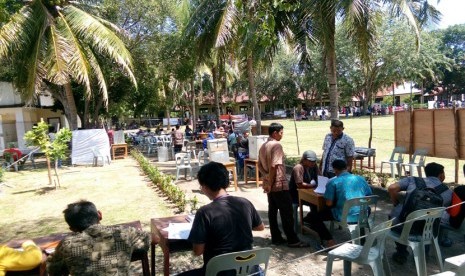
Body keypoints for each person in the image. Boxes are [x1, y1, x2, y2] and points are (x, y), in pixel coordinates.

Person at [179, 162, 264, 276]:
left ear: (205, 186)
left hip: (218, 272)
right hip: (249, 271)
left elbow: (198, 251)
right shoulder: (245, 203)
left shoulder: (204, 212)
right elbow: (260, 227)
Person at [46, 200, 150, 275]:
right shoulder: (124, 234)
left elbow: (51, 269)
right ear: (99, 215)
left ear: (72, 228)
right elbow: (154, 239)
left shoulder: (67, 245)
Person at [388, 162, 453, 264]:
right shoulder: (448, 192)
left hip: (404, 227)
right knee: (431, 222)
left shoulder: (413, 180)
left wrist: (396, 203)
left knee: (395, 214)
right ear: (441, 175)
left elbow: (392, 188)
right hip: (427, 231)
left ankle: (401, 253)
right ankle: (422, 254)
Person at [258, 123, 308, 247]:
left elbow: (259, 165)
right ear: (275, 133)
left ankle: (276, 237)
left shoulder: (263, 146)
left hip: (269, 185)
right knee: (287, 212)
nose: (282, 135)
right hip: (278, 184)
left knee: (273, 211)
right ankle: (292, 240)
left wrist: (266, 177)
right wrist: (270, 179)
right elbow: (274, 166)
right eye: (281, 132)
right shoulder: (276, 145)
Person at [303, 159, 372, 248]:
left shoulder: (333, 182)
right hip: (364, 213)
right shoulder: (360, 178)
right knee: (360, 209)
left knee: (314, 216)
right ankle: (362, 239)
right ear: (346, 168)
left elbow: (328, 204)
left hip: (345, 216)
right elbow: (369, 195)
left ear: (335, 170)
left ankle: (329, 240)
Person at [289, 150, 319, 232]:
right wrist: (313, 185)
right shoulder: (298, 168)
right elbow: (300, 184)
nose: (313, 163)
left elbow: (320, 176)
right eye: (310, 161)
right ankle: (311, 221)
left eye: (314, 161)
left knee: (319, 204)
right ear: (304, 160)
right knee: (315, 204)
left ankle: (311, 220)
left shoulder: (314, 166)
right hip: (296, 195)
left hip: (310, 192)